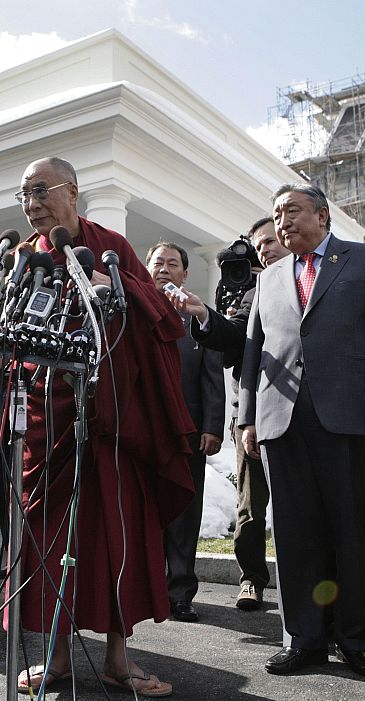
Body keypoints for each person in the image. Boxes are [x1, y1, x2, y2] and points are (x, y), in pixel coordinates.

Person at [0, 157, 193, 698]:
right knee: (47, 542)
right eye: (23, 195)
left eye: (40, 191)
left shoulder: (109, 247)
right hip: (41, 422)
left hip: (108, 421)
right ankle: (55, 659)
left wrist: (115, 283)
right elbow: (5, 341)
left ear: (72, 192)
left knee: (112, 534)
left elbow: (159, 318)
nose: (31, 204)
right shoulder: (22, 259)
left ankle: (119, 661)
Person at [239, 183, 365, 678]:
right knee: (295, 536)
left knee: (352, 534)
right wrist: (247, 417)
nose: (283, 222)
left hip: (351, 419)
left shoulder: (363, 260)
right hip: (283, 424)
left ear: (322, 216)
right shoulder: (270, 278)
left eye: (293, 211)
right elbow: (253, 354)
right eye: (277, 215)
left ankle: (356, 638)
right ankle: (303, 640)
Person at [172, 217, 290, 610]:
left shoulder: (309, 282)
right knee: (251, 507)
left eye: (272, 241)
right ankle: (252, 579)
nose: (267, 249)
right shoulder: (250, 293)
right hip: (254, 412)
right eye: (261, 245)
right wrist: (208, 315)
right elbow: (229, 344)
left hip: (304, 412)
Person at [145, 241, 224, 623]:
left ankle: (180, 593)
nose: (163, 268)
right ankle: (144, 590)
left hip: (188, 434)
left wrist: (212, 427)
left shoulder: (197, 319)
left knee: (184, 513)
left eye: (172, 263)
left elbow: (212, 379)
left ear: (184, 274)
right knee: (144, 510)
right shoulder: (135, 314)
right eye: (157, 262)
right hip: (143, 432)